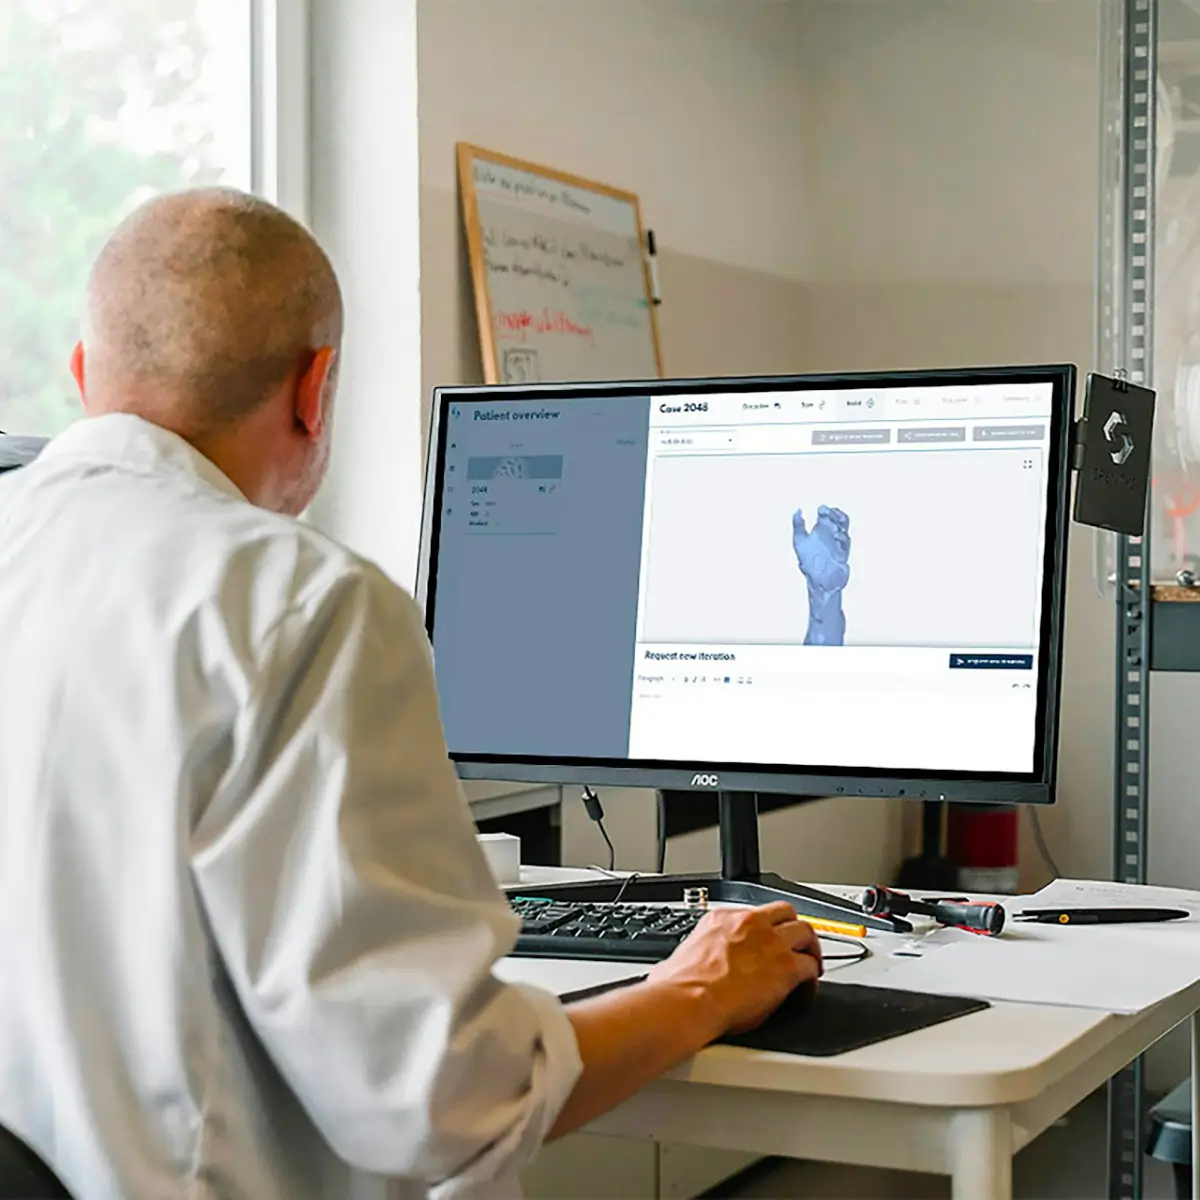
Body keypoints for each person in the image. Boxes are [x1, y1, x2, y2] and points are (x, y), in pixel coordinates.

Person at [0, 188, 822, 1200]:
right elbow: (442, 1102)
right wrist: (697, 988)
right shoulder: (299, 603)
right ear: (316, 386)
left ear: (84, 376)